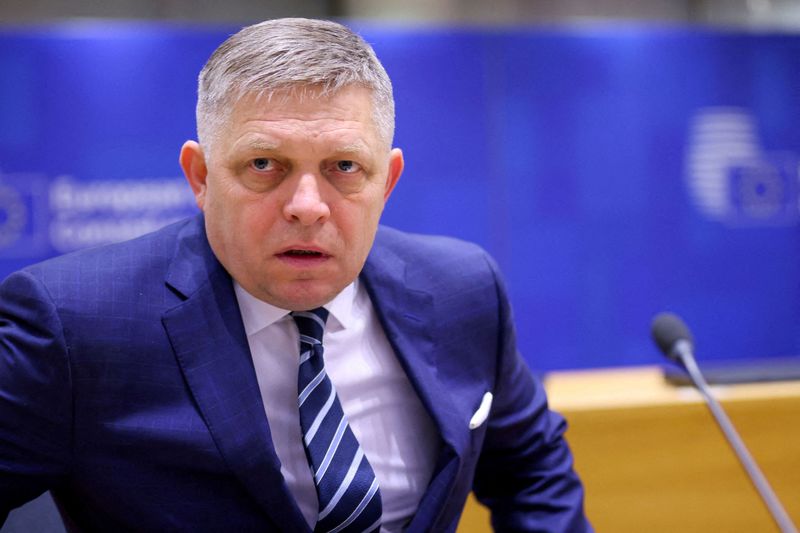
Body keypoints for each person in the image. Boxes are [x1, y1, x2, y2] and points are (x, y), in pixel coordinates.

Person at [0, 18, 590, 532]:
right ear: (200, 176)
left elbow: (533, 473)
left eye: (343, 167)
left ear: (385, 182)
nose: (307, 204)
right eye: (264, 165)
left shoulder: (463, 289)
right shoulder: (74, 326)